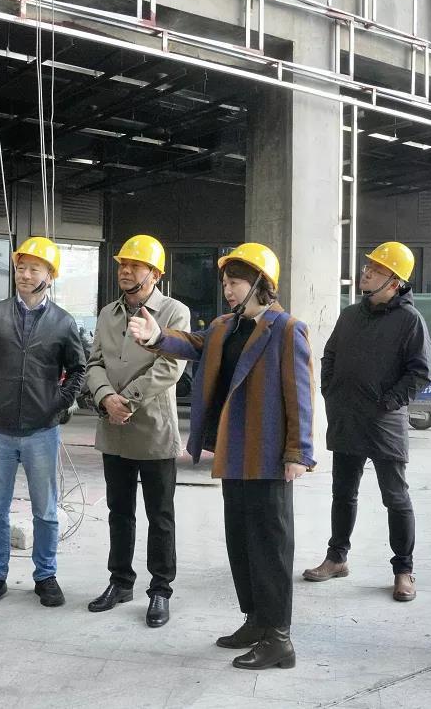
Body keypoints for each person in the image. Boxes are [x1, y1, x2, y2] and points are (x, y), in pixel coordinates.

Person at [128, 242, 316, 670]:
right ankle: (255, 620)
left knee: (270, 548)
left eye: (235, 283)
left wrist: (298, 453)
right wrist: (156, 336)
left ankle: (279, 638)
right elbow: (194, 343)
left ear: (260, 283)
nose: (227, 290)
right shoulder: (225, 326)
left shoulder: (287, 329)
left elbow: (301, 395)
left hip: (269, 457)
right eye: (226, 283)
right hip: (234, 454)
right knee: (241, 543)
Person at [303, 241, 431, 602]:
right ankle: (336, 558)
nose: (366, 273)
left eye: (376, 270)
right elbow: (329, 355)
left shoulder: (410, 321)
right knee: (343, 493)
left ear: (394, 282)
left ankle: (403, 570)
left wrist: (388, 402)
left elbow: (419, 373)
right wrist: (330, 390)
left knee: (395, 497)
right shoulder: (350, 315)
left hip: (384, 423)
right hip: (346, 418)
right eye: (367, 267)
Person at [0, 236, 85, 608]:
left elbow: (78, 369)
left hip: (41, 432)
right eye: (21, 267)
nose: (25, 274)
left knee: (45, 512)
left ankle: (45, 576)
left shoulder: (63, 322)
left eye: (34, 268)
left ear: (50, 275)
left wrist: (58, 403)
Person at [85, 235, 190, 629]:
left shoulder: (174, 312)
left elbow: (170, 367)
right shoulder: (107, 314)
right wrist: (105, 398)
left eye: (134, 265)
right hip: (113, 428)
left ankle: (160, 589)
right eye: (122, 265)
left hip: (153, 429)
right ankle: (120, 582)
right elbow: (94, 362)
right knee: (119, 512)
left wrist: (125, 401)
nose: (125, 271)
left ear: (155, 274)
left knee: (160, 515)